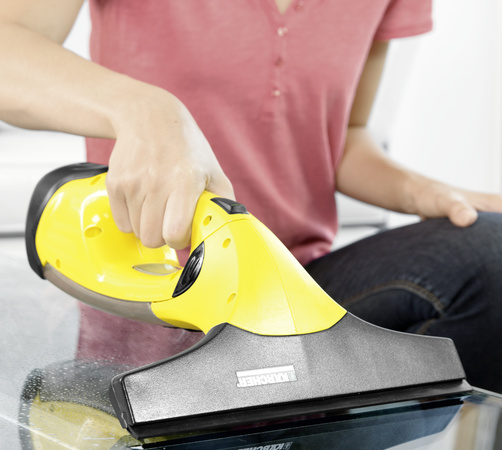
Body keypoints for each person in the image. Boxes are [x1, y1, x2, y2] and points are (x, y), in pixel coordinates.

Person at [1, 0, 501, 392]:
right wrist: (141, 109)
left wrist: (422, 192)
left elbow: (343, 135)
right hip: (149, 293)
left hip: (291, 292)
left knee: (491, 250)